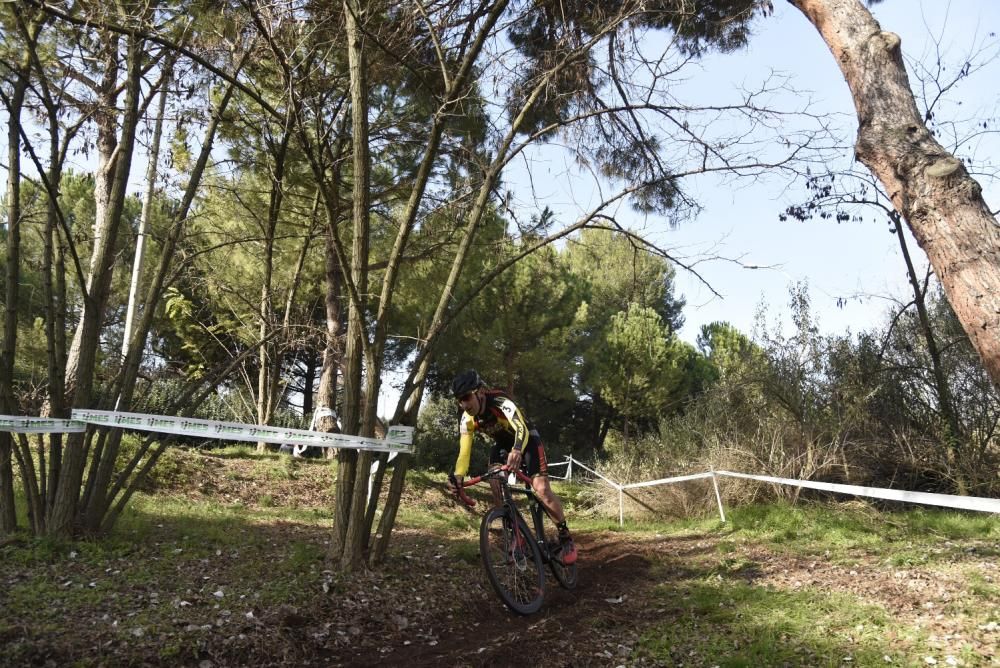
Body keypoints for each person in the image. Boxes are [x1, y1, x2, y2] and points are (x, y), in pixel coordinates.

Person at [446, 369, 577, 565]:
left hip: (526, 439)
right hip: (503, 446)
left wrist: (517, 450)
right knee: (494, 480)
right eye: (459, 400)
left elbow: (521, 428)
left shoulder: (499, 401)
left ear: (480, 392)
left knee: (541, 489)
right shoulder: (467, 419)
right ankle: (516, 535)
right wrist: (458, 476)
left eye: (466, 397)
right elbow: (464, 453)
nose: (464, 404)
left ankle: (565, 536)